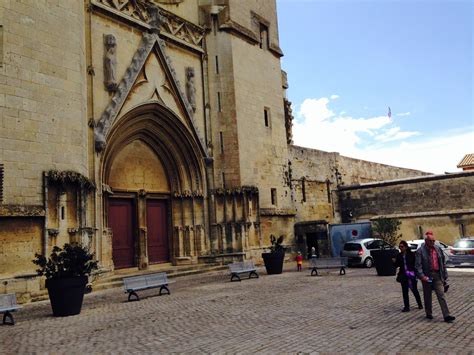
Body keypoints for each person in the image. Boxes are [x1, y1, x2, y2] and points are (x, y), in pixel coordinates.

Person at [415, 231, 455, 322]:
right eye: (430, 241)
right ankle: (428, 313)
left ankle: (446, 315)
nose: (432, 242)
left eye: (434, 241)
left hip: (437, 275)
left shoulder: (438, 249)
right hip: (427, 275)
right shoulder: (420, 251)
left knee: (441, 295)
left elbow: (442, 263)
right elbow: (418, 266)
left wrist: (445, 276)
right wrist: (422, 276)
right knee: (427, 296)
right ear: (426, 241)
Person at [393, 240, 423, 312]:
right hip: (403, 275)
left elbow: (415, 264)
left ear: (406, 247)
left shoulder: (411, 255)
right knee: (405, 291)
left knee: (414, 290)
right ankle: (406, 306)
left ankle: (420, 304)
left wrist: (416, 273)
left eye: (402, 246)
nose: (400, 248)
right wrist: (394, 262)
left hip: (411, 274)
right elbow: (397, 265)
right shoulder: (399, 255)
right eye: (399, 247)